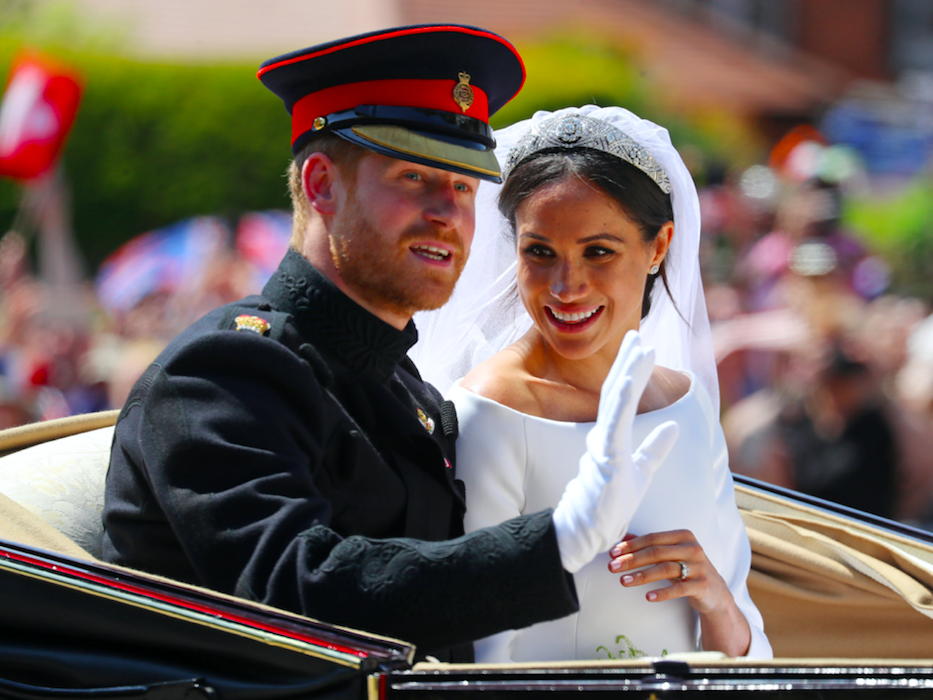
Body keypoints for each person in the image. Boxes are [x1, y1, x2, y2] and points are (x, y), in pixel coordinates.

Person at [101, 28, 676, 664]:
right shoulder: (222, 374)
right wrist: (558, 541)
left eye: (463, 186)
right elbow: (295, 592)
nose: (448, 214)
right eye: (413, 176)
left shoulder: (408, 389)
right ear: (321, 184)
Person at [412, 106, 771, 661]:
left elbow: (748, 644)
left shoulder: (687, 404)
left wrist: (715, 598)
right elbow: (479, 650)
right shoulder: (491, 411)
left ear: (658, 247)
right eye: (541, 253)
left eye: (598, 251)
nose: (567, 286)